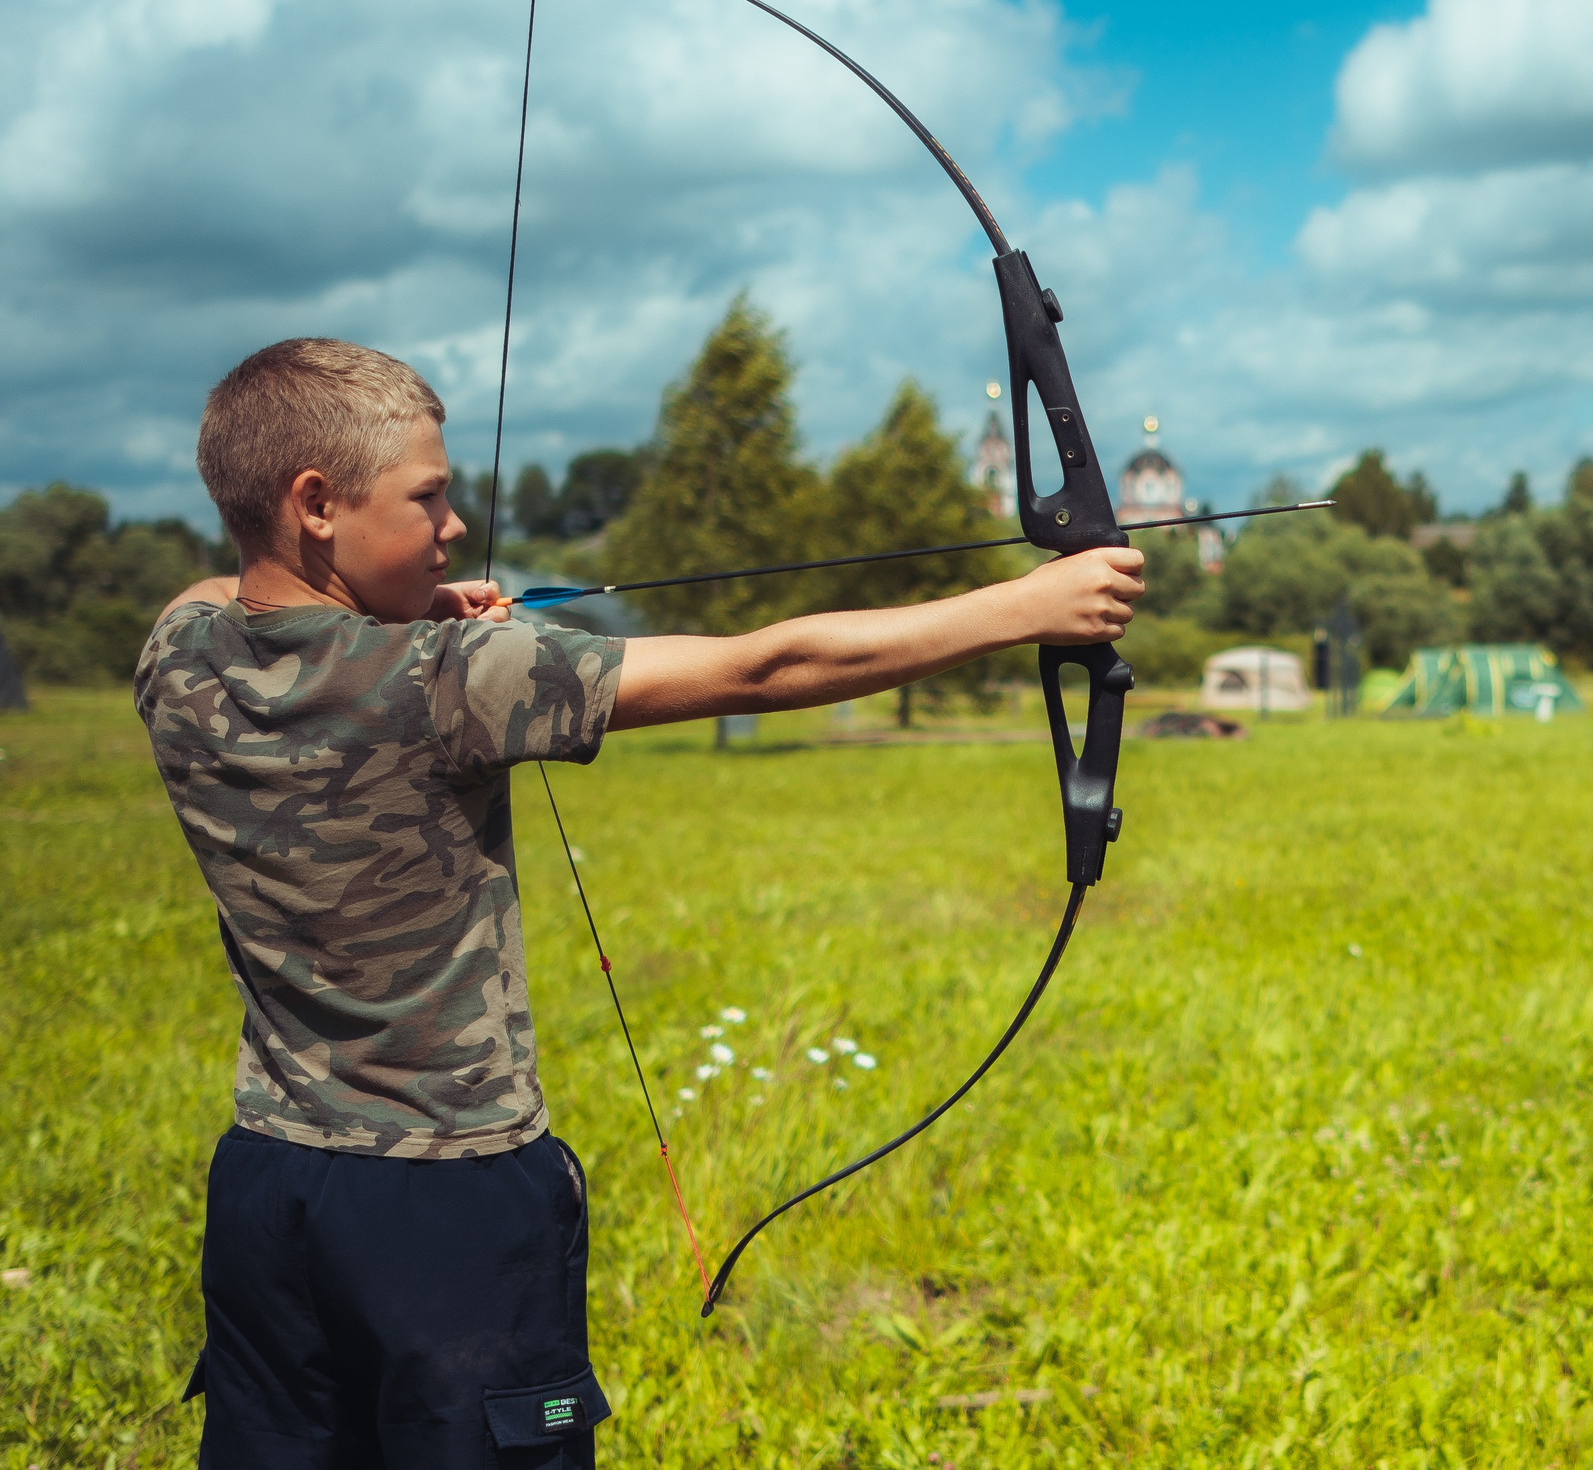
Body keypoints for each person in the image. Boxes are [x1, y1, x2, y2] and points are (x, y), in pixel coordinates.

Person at [137, 338, 1143, 1468]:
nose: (453, 526)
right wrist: (1030, 605)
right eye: (428, 499)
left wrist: (400, 593)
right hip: (446, 1199)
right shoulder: (453, 679)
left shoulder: (178, 660)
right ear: (316, 504)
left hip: (269, 1182)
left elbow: (219, 588)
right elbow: (767, 669)